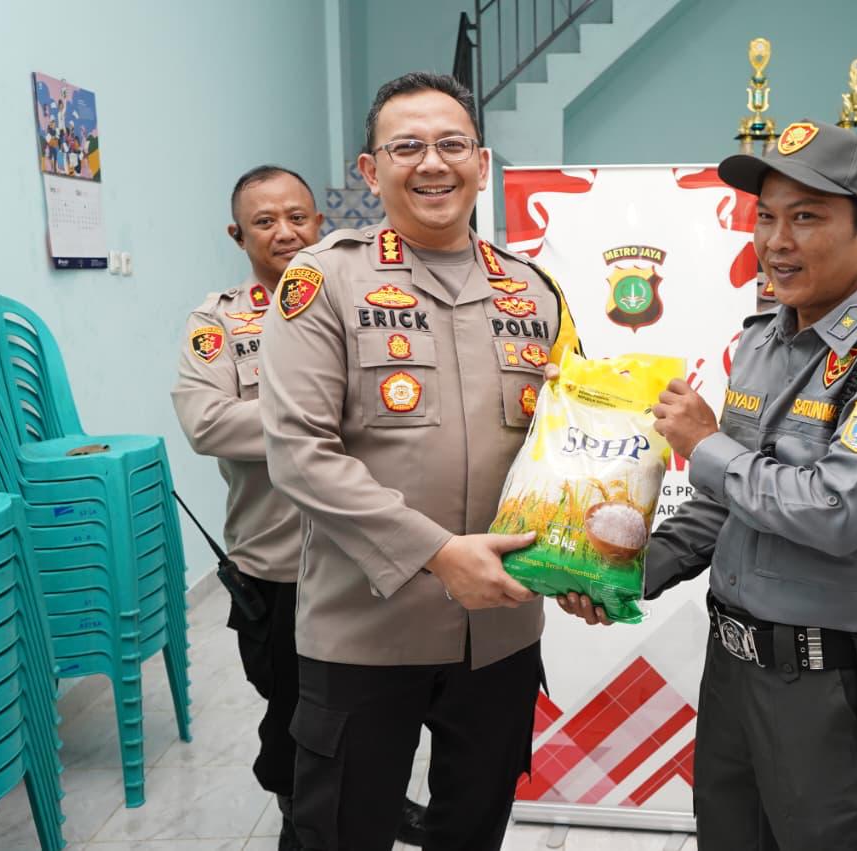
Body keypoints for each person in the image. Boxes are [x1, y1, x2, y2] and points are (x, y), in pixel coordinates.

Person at [561, 121, 857, 850]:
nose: (777, 240)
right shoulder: (760, 339)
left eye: (807, 217)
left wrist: (707, 445)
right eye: (766, 215)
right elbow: (725, 504)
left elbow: (838, 511)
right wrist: (620, 574)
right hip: (731, 672)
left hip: (827, 688)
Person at [259, 72, 582, 851]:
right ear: (371, 171)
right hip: (367, 629)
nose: (432, 162)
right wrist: (436, 553)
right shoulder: (324, 280)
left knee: (473, 827)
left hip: (500, 632)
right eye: (407, 146)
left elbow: (569, 442)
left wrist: (588, 556)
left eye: (451, 144)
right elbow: (300, 453)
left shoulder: (532, 291)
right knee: (340, 830)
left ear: (482, 162)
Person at [171, 165, 426, 849]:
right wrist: (316, 417)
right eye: (264, 221)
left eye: (298, 216)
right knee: (295, 714)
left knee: (372, 706)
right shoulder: (218, 322)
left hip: (364, 555)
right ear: (238, 234)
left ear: (320, 223)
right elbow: (206, 422)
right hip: (277, 565)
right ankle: (298, 818)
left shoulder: (368, 303)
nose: (284, 231)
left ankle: (379, 797)